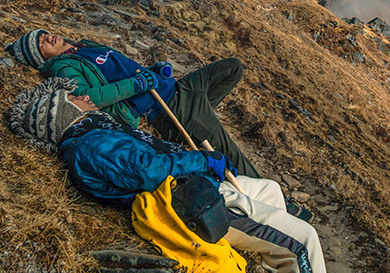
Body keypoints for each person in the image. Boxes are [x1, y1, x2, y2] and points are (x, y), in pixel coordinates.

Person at [9, 77, 326, 273]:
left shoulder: (96, 133)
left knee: (269, 189)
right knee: (303, 241)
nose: (87, 98)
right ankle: (287, 254)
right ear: (65, 112)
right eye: (77, 98)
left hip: (194, 184)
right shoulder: (92, 145)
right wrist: (203, 161)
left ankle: (272, 255)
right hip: (190, 199)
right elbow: (152, 172)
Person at [5, 29, 259, 178]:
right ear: (40, 58)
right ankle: (278, 198)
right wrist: (139, 86)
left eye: (43, 34)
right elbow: (89, 98)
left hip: (176, 89)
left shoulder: (82, 46)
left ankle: (199, 119)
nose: (48, 38)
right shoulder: (62, 67)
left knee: (232, 68)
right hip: (165, 106)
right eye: (41, 44)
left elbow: (122, 70)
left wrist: (153, 71)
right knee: (231, 151)